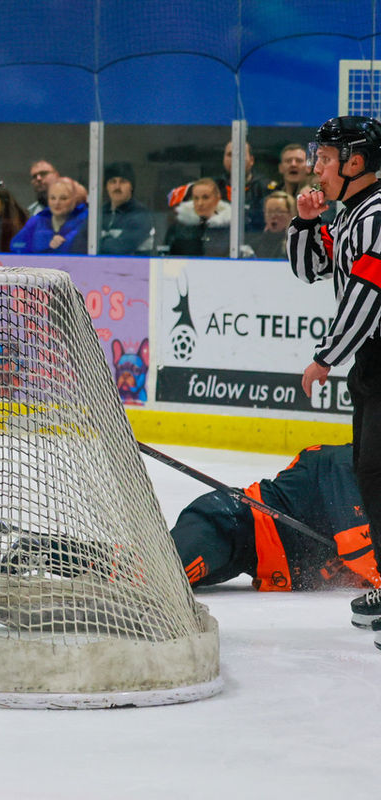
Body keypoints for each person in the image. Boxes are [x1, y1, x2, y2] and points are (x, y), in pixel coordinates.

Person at [288, 115, 381, 640]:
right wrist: (305, 223)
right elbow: (311, 269)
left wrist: (325, 357)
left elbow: (369, 293)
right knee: (371, 472)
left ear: (356, 162)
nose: (316, 168)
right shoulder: (351, 215)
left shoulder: (378, 215)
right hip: (372, 365)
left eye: (325, 159)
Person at [171, 444, 380, 592]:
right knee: (161, 580)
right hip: (231, 523)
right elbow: (356, 548)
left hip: (250, 561)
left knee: (171, 590)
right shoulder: (346, 462)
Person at [166, 140, 266, 232]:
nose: (234, 159)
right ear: (224, 159)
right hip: (212, 241)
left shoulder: (265, 187)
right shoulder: (210, 186)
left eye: (240, 155)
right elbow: (173, 202)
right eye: (229, 155)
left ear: (251, 160)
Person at [9, 176, 87, 254]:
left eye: (63, 198)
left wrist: (64, 243)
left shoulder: (85, 222)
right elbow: (16, 245)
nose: (57, 203)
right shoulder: (37, 221)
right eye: (52, 198)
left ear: (74, 200)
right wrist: (47, 244)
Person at [164, 177, 232, 257]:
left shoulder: (231, 228)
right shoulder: (178, 228)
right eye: (196, 198)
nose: (200, 203)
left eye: (205, 197)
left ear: (217, 198)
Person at [97, 162, 153, 255]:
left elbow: (118, 249)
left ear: (131, 187)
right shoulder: (98, 213)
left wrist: (99, 242)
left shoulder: (140, 214)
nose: (117, 187)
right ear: (106, 187)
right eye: (112, 181)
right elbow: (80, 243)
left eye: (123, 181)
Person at [245, 190, 295, 260]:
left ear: (291, 214)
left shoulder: (296, 244)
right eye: (269, 212)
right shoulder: (254, 246)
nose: (273, 216)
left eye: (279, 211)